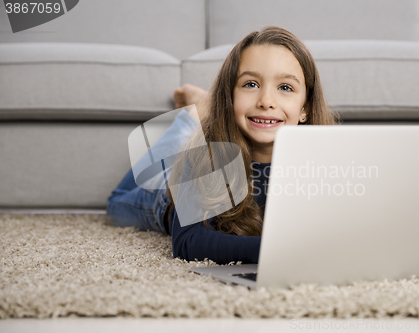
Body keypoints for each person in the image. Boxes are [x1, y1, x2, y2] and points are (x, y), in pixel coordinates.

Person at [106, 26, 336, 264]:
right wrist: (277, 249)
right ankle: (193, 115)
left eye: (285, 88)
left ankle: (201, 109)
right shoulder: (203, 155)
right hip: (168, 195)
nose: (266, 101)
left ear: (305, 109)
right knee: (117, 202)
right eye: (250, 84)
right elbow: (187, 241)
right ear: (229, 97)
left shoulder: (322, 165)